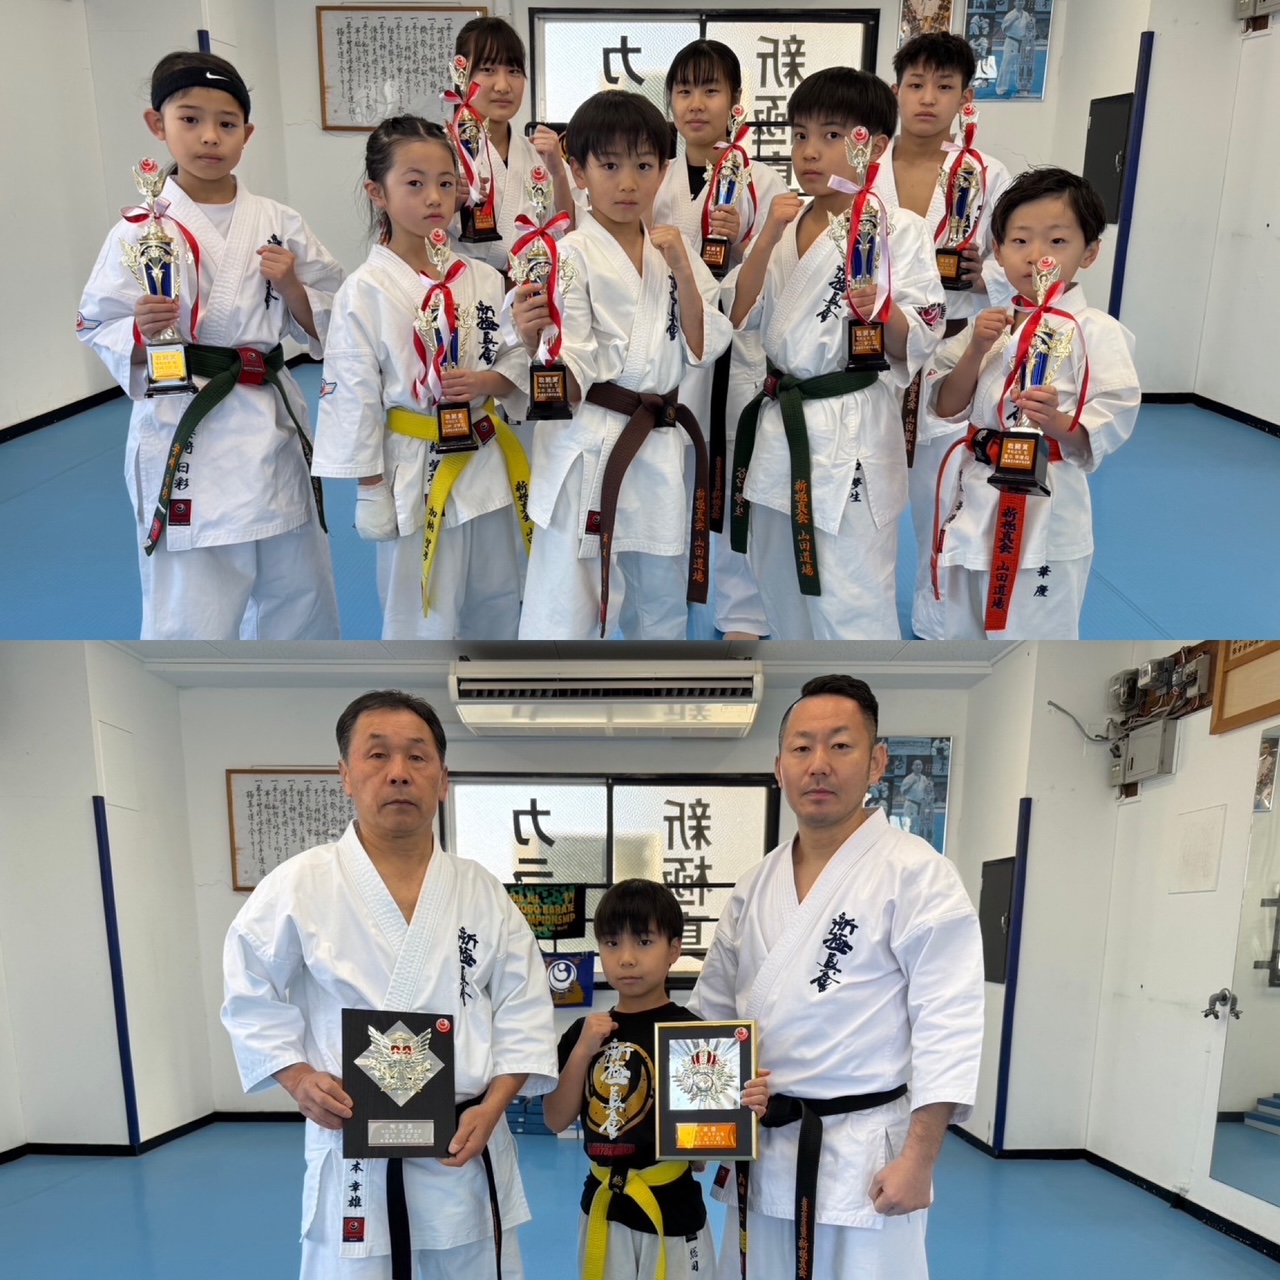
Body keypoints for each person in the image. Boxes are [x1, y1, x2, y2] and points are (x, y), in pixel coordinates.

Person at [221, 690, 558, 1279]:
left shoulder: (481, 891)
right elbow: (249, 991)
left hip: (464, 1144)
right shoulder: (300, 885)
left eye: (417, 757)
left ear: (443, 780)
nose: (398, 772)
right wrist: (297, 1078)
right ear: (346, 776)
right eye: (377, 756)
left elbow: (523, 1007)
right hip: (356, 1146)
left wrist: (496, 1106)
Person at [689, 674, 983, 1280]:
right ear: (779, 767)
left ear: (877, 762)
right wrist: (699, 1132)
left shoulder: (918, 873)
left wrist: (920, 1159)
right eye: (802, 748)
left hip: (867, 1161)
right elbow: (711, 1017)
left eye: (841, 746)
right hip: (763, 1152)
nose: (818, 764)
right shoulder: (753, 886)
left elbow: (948, 1022)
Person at [77, 50, 345, 640]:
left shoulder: (279, 220)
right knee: (194, 604)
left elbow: (334, 319)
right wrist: (141, 331)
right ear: (158, 124)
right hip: (187, 416)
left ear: (247, 134)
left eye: (227, 123)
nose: (209, 137)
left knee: (296, 587)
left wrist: (292, 286)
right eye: (190, 119)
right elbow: (96, 323)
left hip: (270, 418)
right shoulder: (139, 228)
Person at [726, 68, 945, 639]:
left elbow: (920, 334)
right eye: (800, 135)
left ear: (873, 144)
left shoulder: (901, 229)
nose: (809, 151)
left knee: (851, 595)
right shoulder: (785, 222)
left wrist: (882, 310)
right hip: (782, 422)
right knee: (779, 585)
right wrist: (766, 238)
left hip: (850, 423)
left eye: (830, 135)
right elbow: (740, 314)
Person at [510, 91, 733, 639]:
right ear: (578, 172)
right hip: (591, 441)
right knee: (570, 602)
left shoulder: (674, 251)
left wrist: (683, 270)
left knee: (659, 599)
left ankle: (657, 687)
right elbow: (570, 366)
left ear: (663, 171)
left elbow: (703, 347)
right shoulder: (570, 254)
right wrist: (537, 342)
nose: (628, 183)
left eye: (644, 166)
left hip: (657, 443)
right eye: (609, 166)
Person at [311, 117, 530, 639]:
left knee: (499, 604)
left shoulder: (482, 276)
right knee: (421, 616)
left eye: (446, 183)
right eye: (414, 183)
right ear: (377, 193)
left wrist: (488, 383)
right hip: (414, 470)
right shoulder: (365, 289)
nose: (434, 197)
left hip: (486, 461)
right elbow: (355, 396)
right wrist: (370, 489)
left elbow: (515, 356)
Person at [928, 168, 1140, 638]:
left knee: (1033, 629)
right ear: (998, 251)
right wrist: (976, 350)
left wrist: (1059, 423)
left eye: (1057, 241)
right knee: (962, 630)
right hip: (975, 493)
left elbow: (1116, 411)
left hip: (1045, 501)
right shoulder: (992, 325)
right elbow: (945, 407)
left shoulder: (1097, 331)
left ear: (1090, 252)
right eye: (1020, 240)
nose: (1036, 255)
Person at [880, 32, 1015, 640]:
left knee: (944, 504)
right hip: (876, 353)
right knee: (866, 500)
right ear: (896, 91)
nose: (928, 98)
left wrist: (979, 273)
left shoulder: (987, 175)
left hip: (954, 351)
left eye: (944, 86)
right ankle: (867, 617)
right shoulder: (865, 169)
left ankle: (936, 625)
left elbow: (1016, 263)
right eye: (916, 85)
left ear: (965, 98)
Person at [654, 40, 789, 640]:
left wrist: (739, 244)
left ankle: (741, 611)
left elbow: (773, 278)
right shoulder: (652, 174)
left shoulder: (763, 181)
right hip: (666, 350)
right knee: (668, 474)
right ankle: (667, 600)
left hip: (735, 352)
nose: (696, 104)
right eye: (684, 90)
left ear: (736, 100)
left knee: (732, 473)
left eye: (711, 90)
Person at [449, 17, 579, 274]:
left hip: (534, 290)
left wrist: (558, 173)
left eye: (514, 71)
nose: (503, 85)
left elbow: (573, 236)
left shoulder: (542, 157)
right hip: (463, 288)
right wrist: (447, 203)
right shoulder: (439, 155)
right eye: (488, 70)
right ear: (461, 75)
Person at [996, 0, 1037, 99]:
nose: (1021, 3)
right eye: (1019, 1)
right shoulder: (1010, 15)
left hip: (1022, 42)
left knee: (1020, 65)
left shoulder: (1026, 14)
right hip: (1011, 41)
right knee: (1006, 65)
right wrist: (1013, 20)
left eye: (1022, 1)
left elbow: (1029, 28)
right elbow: (1004, 29)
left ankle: (1021, 86)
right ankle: (1001, 88)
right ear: (1014, 3)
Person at [898, 758, 936, 842]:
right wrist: (912, 783)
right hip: (910, 805)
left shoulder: (924, 778)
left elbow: (927, 790)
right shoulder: (909, 778)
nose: (918, 767)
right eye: (916, 765)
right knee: (908, 826)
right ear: (912, 767)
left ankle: (916, 843)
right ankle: (906, 842)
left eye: (920, 765)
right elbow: (903, 792)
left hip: (920, 805)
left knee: (918, 826)